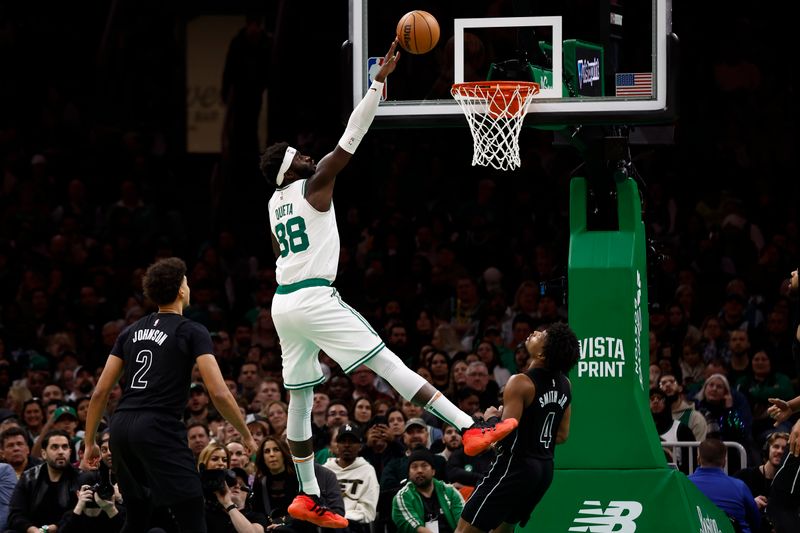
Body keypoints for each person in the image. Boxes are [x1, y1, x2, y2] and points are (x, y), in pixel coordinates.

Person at [258, 40, 516, 529]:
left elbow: (279, 256)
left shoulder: (273, 207)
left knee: (299, 399)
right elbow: (350, 140)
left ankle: (309, 495)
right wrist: (379, 83)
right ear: (287, 170)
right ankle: (469, 427)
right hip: (313, 295)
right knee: (386, 362)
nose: (309, 155)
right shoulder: (313, 185)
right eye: (299, 155)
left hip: (283, 302)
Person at [81, 257, 257, 533]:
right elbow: (219, 392)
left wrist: (90, 440)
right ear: (181, 290)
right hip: (158, 426)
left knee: (137, 514)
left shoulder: (130, 331)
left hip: (121, 426)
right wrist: (245, 433)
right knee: (191, 509)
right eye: (186, 282)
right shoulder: (192, 330)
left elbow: (101, 391)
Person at [455, 322, 580, 533]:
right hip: (543, 471)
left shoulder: (520, 382)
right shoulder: (566, 384)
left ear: (541, 355)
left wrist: (492, 417)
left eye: (542, 336)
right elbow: (561, 435)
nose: (535, 333)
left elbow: (503, 432)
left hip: (514, 467)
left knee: (464, 530)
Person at [6, 429, 80, 533]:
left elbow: (78, 514)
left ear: (70, 452)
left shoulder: (80, 477)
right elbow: (15, 514)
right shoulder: (29, 478)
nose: (60, 452)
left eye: (65, 447)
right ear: (44, 453)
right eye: (54, 447)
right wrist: (32, 530)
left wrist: (55, 527)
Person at [688, 438, 760, 533]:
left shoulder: (684, 484)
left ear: (698, 459)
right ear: (724, 461)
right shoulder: (740, 487)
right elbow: (756, 523)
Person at [390, 447, 464, 533]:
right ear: (409, 473)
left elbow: (463, 523)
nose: (419, 470)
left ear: (433, 471)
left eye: (424, 466)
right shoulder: (402, 497)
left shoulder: (450, 491)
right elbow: (414, 528)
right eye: (414, 467)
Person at [734, 431, 789, 533]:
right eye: (776, 446)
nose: (780, 451)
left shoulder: (791, 482)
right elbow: (730, 504)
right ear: (767, 449)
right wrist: (751, 503)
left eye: (785, 448)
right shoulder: (745, 476)